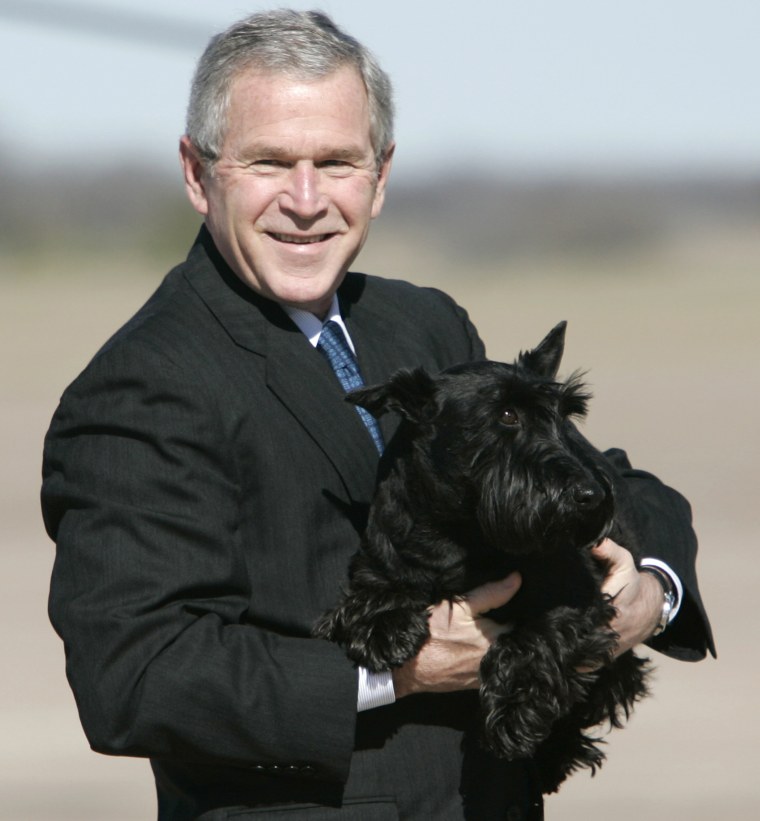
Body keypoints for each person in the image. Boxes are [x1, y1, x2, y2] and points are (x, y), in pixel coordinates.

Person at [41, 10, 714, 821]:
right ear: (197, 173)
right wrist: (401, 669)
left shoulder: (425, 324)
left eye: (336, 162)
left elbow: (593, 482)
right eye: (268, 162)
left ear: (381, 175)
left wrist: (651, 591)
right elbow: (137, 677)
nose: (305, 199)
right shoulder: (142, 385)